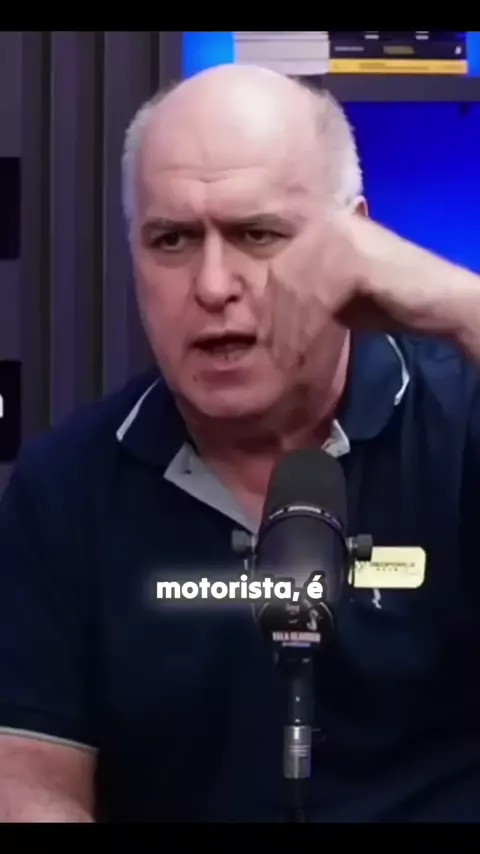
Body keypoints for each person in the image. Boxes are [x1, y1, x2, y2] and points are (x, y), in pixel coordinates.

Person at [1, 63, 480, 824]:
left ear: (358, 240)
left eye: (257, 235)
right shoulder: (64, 488)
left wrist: (457, 304)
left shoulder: (460, 426)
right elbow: (29, 780)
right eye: (172, 240)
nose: (213, 285)